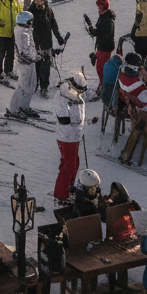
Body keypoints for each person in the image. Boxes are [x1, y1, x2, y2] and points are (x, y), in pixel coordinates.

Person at [54, 72, 88, 207]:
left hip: (74, 135)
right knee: (69, 165)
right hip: (67, 136)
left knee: (74, 162)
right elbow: (64, 119)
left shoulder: (74, 95)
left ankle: (69, 186)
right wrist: (78, 123)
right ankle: (61, 194)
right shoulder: (63, 96)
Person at [7, 11, 38, 120]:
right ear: (25, 22)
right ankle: (14, 109)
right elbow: (24, 51)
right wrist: (36, 57)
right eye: (30, 21)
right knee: (22, 86)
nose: (32, 23)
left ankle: (24, 106)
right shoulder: (23, 34)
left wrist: (37, 55)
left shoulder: (26, 31)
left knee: (31, 85)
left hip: (30, 62)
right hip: (25, 63)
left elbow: (30, 48)